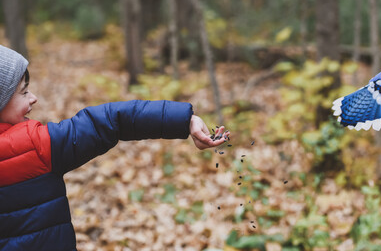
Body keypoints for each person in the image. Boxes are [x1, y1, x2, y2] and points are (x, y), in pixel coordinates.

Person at [0, 44, 229, 250]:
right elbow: (113, 120)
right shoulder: (35, 146)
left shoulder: (34, 143)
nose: (34, 98)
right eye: (23, 92)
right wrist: (185, 120)